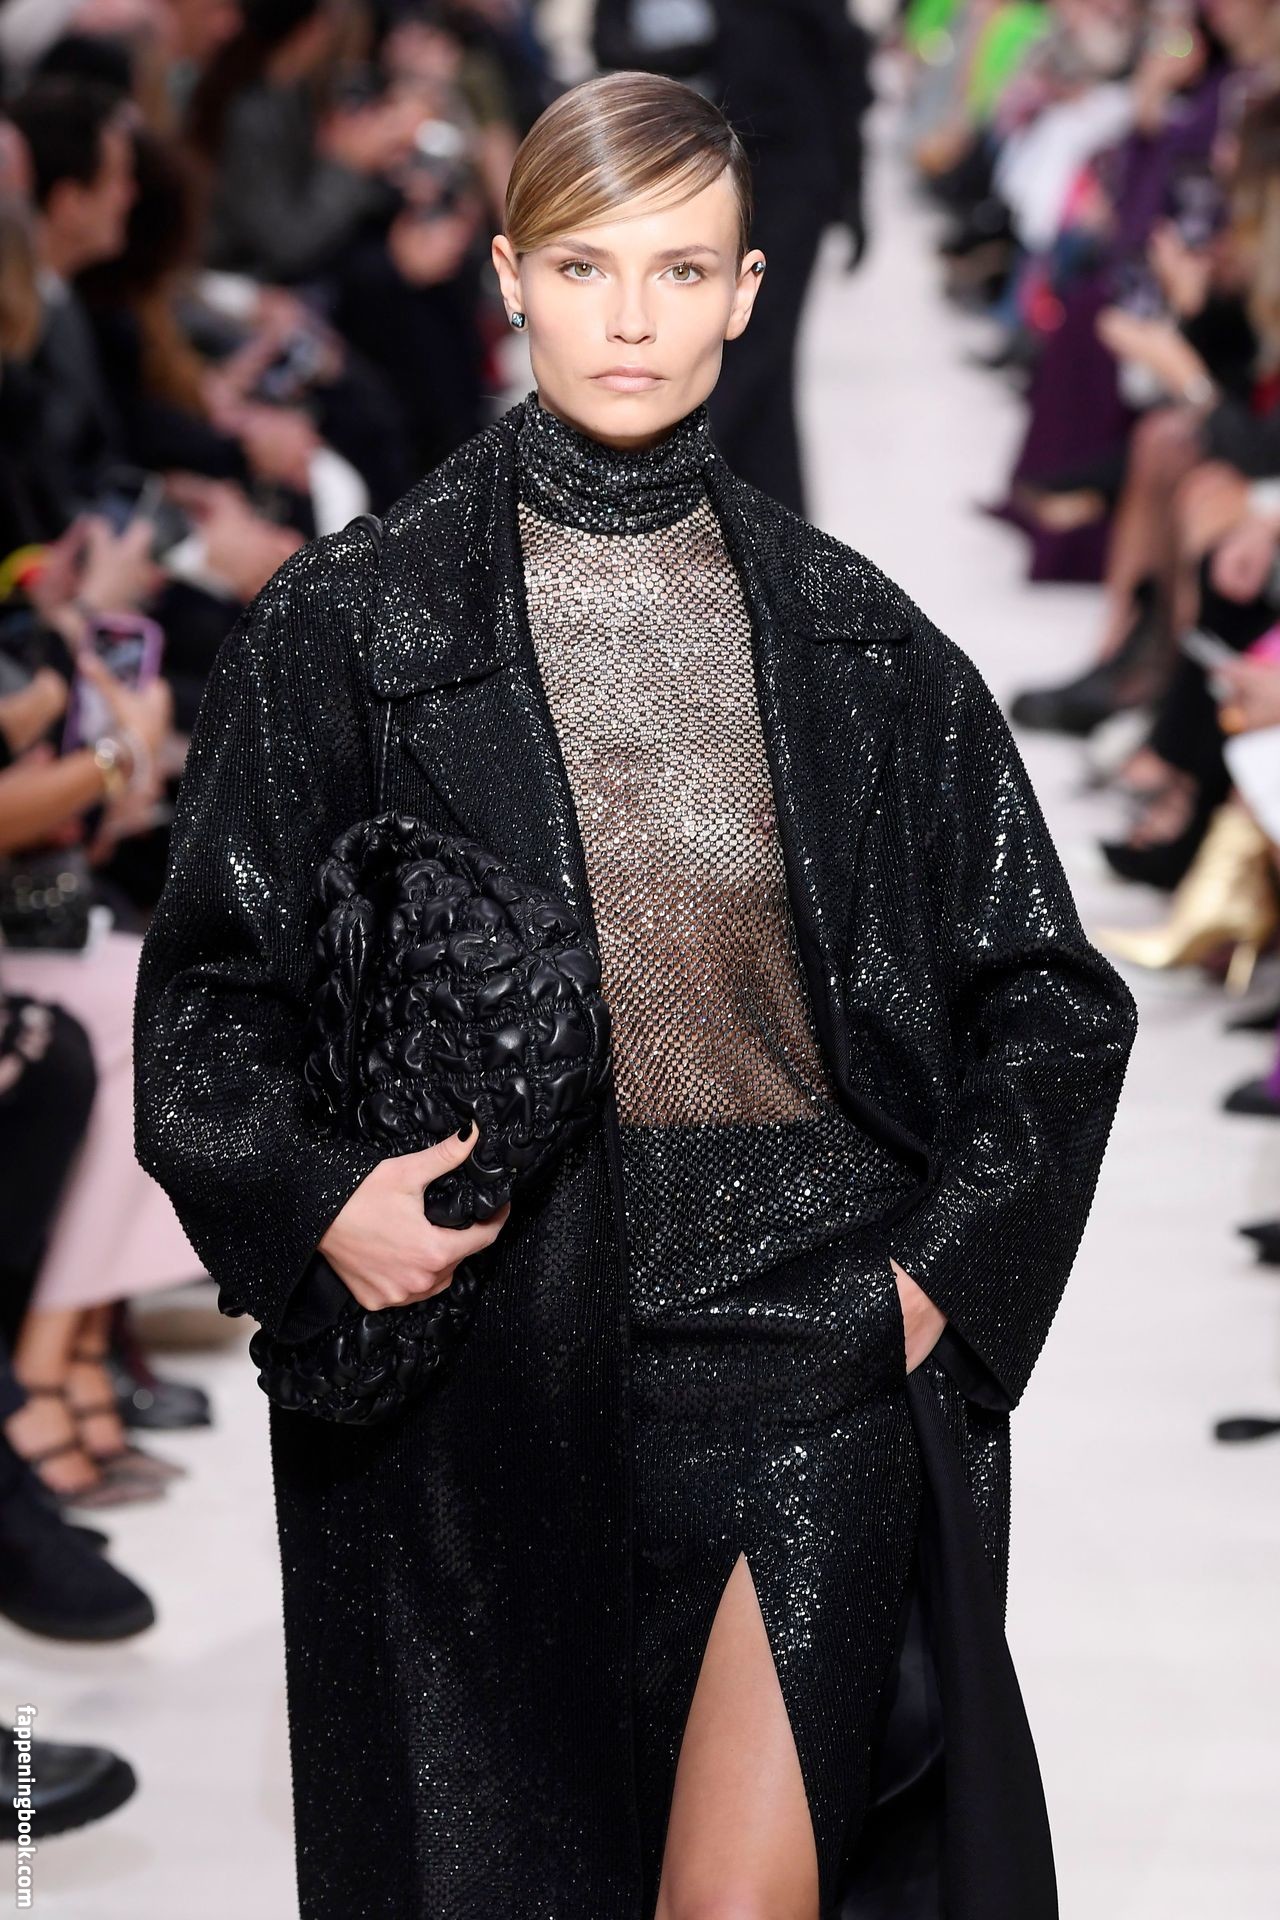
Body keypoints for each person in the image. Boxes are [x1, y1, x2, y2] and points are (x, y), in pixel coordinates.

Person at [132, 68, 1139, 1920]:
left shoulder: (857, 637)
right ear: (510, 275)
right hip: (492, 1362)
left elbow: (1052, 1003)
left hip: (813, 1338)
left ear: (748, 292)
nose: (631, 318)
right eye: (588, 266)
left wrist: (935, 1280)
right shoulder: (354, 625)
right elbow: (209, 1000)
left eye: (680, 272)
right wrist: (319, 1200)